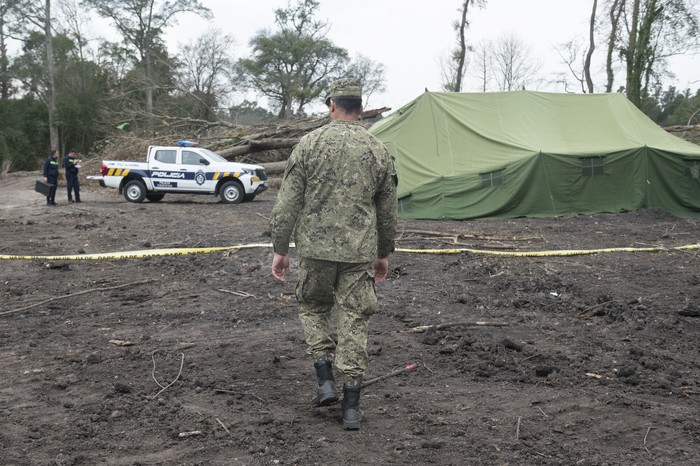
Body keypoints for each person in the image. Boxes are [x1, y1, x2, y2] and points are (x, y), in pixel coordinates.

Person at [269, 78, 397, 430]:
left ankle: (325, 380)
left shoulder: (308, 145)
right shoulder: (377, 150)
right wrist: (383, 253)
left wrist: (280, 249)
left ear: (332, 105)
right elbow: (387, 211)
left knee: (313, 307)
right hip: (359, 253)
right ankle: (352, 407)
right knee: (355, 318)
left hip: (315, 250)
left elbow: (287, 204)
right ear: (361, 106)